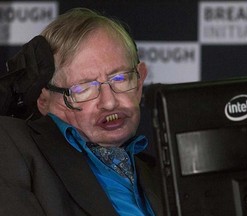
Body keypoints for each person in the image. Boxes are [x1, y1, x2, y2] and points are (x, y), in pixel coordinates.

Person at [0, 8, 163, 216]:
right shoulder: (12, 146)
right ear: (43, 98)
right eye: (83, 89)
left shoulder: (160, 174)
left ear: (140, 81)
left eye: (120, 79)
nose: (109, 102)